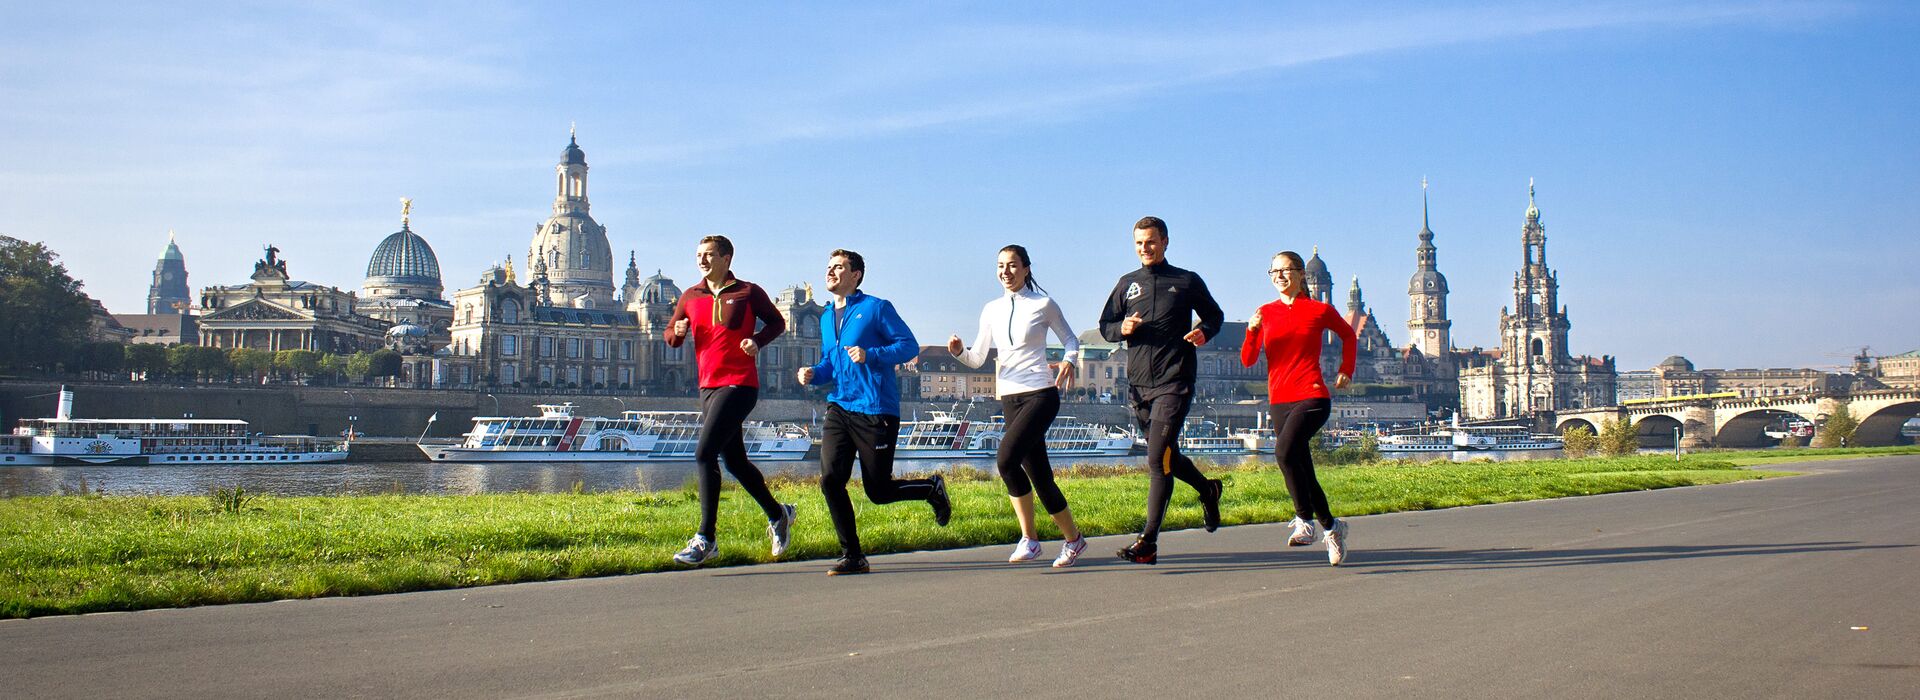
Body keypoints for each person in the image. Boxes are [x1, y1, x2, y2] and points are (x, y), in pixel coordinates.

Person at [799, 249, 952, 575]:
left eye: (839, 267)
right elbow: (831, 362)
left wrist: (871, 355)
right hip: (840, 405)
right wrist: (814, 374)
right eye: (829, 267)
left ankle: (931, 488)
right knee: (829, 479)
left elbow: (908, 346)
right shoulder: (827, 316)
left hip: (875, 408)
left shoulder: (876, 308)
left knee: (878, 491)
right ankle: (852, 555)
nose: (831, 272)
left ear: (856, 275)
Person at [947, 245, 1089, 568]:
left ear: (1026, 268)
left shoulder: (1043, 304)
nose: (1005, 271)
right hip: (1009, 398)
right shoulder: (991, 309)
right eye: (1000, 266)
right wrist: (958, 351)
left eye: (1012, 265)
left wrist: (1069, 361)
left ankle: (1030, 539)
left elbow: (1071, 339)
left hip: (1041, 393)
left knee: (1005, 459)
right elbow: (977, 358)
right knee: (1040, 477)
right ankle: (1074, 540)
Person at [1098, 216, 1226, 564]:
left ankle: (1148, 542)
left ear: (1165, 242)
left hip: (1175, 381)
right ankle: (1208, 488)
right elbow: (1105, 325)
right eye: (1139, 243)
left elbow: (1215, 315)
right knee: (1167, 455)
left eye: (1151, 242)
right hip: (1139, 385)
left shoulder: (1185, 281)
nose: (1145, 249)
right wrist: (1121, 327)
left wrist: (1204, 332)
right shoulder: (1127, 284)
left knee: (1157, 460)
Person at [663, 235, 797, 566]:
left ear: (726, 258)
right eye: (698, 255)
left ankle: (706, 538)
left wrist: (757, 341)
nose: (702, 260)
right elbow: (671, 339)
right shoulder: (690, 296)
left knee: (704, 452)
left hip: (740, 384)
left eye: (708, 255)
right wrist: (678, 330)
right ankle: (778, 514)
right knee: (734, 461)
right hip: (707, 387)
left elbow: (778, 322)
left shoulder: (748, 292)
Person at [1242, 250, 1358, 565]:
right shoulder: (1265, 312)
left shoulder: (1319, 309)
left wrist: (1346, 367)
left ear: (1300, 274)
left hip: (1312, 394)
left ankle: (1304, 521)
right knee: (1303, 469)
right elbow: (1249, 360)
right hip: (1279, 398)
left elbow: (1348, 335)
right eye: (1273, 271)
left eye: (1286, 270)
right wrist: (1252, 330)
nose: (1279, 276)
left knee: (1282, 452)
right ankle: (1333, 530)